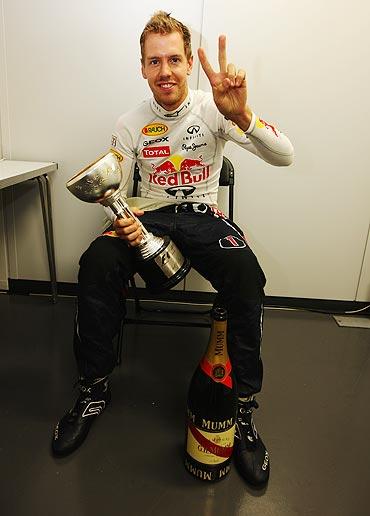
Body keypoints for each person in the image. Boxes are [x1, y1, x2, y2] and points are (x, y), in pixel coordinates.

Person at [52, 11, 294, 488]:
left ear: (189, 65)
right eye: (154, 61)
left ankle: (241, 409)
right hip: (149, 213)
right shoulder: (129, 122)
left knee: (247, 274)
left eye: (175, 60)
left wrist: (242, 115)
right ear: (142, 68)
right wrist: (123, 223)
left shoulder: (215, 108)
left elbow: (284, 155)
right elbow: (112, 188)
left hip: (203, 217)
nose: (165, 71)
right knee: (96, 260)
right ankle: (92, 389)